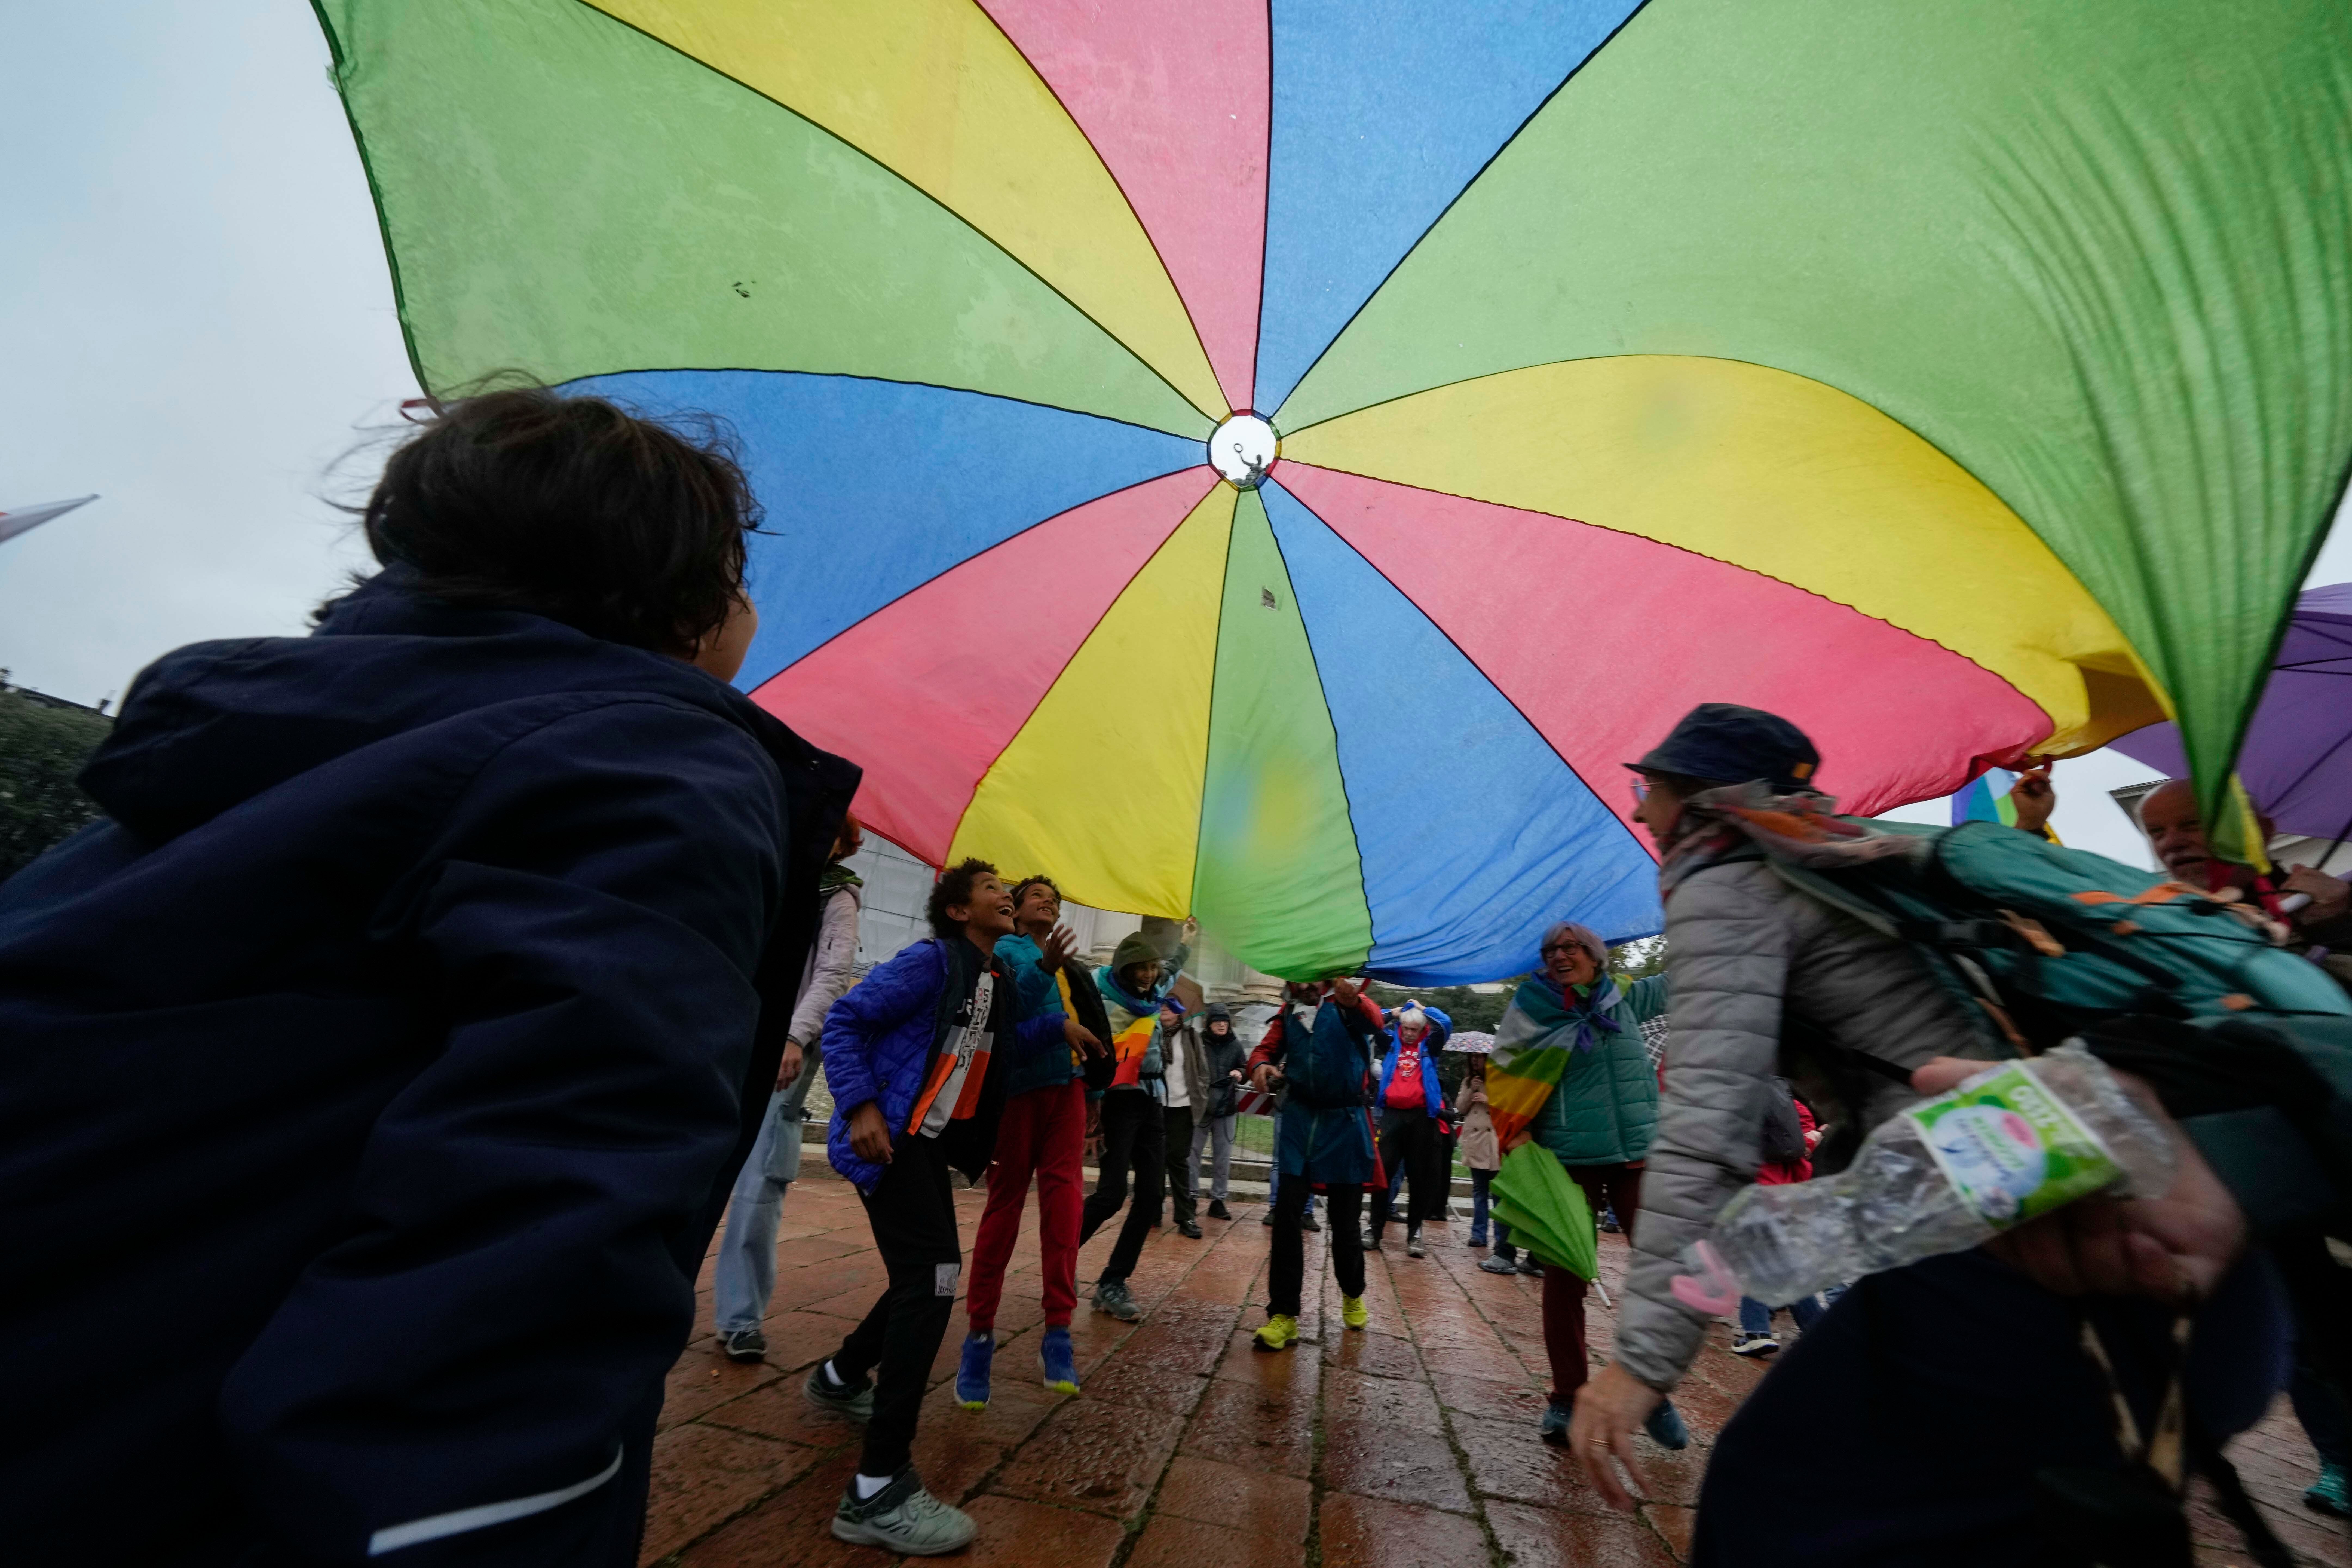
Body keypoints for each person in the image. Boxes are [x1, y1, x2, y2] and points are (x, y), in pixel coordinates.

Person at [0, 388, 859, 1564]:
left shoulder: (268, 739)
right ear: (690, 598)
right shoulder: (647, 764)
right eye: (743, 576)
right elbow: (547, 1214)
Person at [1567, 703, 2309, 1567]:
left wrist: (1643, 1362)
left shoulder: (1725, 874)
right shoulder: (1845, 853)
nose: (1638, 811)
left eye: (1647, 790)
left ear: (1697, 794)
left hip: (2018, 1250)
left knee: (1768, 1502)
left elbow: (1705, 1125)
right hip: (2175, 1250)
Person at [805, 859, 1093, 1555]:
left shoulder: (989, 976)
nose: (1006, 894)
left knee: (925, 1273)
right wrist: (861, 1104)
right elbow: (845, 1018)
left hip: (926, 1144)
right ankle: (877, 1487)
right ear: (961, 910)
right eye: (993, 887)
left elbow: (995, 1048)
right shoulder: (932, 961)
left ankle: (841, 1375)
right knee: (933, 1278)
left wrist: (1057, 1030)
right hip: (890, 1136)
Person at [1489, 921, 1683, 1450]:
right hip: (1570, 1159)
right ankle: (1566, 1397)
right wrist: (1519, 1129)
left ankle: (1649, 1390)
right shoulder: (1532, 1010)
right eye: (1551, 949)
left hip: (1637, 1155)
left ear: (1595, 955)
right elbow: (1503, 1071)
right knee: (1565, 1282)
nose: (1559, 955)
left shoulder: (1623, 999)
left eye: (1570, 947)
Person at [713, 814, 867, 1361]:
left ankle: (739, 1318)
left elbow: (833, 973)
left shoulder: (837, 897)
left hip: (785, 1046)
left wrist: (795, 1037)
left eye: (833, 831)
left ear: (843, 845)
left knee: (760, 1184)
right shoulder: (763, 876)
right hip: (729, 1034)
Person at [956, 874, 1105, 1408]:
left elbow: (1083, 1019)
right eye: (1038, 896)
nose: (1050, 902)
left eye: (1057, 899)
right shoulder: (1007, 951)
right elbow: (1011, 1015)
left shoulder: (1064, 962)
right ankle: (978, 1336)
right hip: (1017, 1094)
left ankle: (1059, 1333)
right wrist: (1047, 972)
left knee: (1065, 1206)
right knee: (1005, 1206)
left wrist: (1096, 1094)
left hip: (1067, 1090)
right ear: (1016, 910)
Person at [1245, 978, 1389, 1349]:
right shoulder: (1288, 1012)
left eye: (1314, 977)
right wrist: (1260, 1065)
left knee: (1345, 1224)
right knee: (1286, 1219)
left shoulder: (1347, 1004)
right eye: (1299, 978)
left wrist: (1354, 1001)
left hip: (1345, 1126)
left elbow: (1375, 1023)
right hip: (1299, 1124)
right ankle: (1283, 1315)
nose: (1307, 985)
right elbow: (1265, 1050)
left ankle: (1353, 1292)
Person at [1076, 929, 1190, 1321]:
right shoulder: (1104, 999)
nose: (1148, 974)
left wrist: (1187, 940)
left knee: (1151, 1198)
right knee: (1110, 1195)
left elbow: (1173, 969)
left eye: (1152, 967)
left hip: (1152, 1102)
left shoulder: (1155, 993)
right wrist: (1094, 1110)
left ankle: (1113, 1282)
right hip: (1118, 1103)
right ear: (1125, 970)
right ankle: (1058, 1260)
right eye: (1140, 968)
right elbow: (1091, 1056)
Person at [1729, 1086, 1821, 1358]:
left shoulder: (1737, 1103)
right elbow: (1801, 1150)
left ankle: (1758, 1333)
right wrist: (1815, 1137)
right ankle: (1816, 1329)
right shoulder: (1792, 1106)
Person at [1366, 1002, 1451, 1258]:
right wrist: (1392, 1014)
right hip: (1392, 1116)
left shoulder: (1430, 1046)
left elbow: (1446, 1024)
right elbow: (1372, 1023)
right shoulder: (1392, 1043)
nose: (1410, 1033)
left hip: (1421, 1118)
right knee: (1383, 1176)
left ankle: (1415, 1233)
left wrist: (1426, 1010)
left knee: (1420, 1179)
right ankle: (1374, 1230)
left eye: (1415, 1029)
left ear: (1422, 1029)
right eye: (1406, 1028)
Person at [1181, 1002, 1249, 1221]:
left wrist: (1240, 1073)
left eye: (1225, 1021)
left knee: (1223, 1158)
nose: (1222, 1025)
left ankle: (1218, 1200)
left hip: (1226, 1108)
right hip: (1200, 1108)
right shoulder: (1198, 1043)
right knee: (1192, 1155)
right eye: (1218, 1021)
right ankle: (1190, 1196)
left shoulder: (1236, 1045)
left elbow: (1245, 1068)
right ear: (1210, 1023)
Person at [1158, 996, 1209, 1239]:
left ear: (1180, 1012)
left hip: (1182, 1108)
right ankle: (1151, 1210)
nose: (1164, 1009)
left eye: (1170, 1006)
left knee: (1178, 1162)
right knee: (1154, 1161)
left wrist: (1200, 1093)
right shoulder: (1151, 1034)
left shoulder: (1190, 1036)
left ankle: (1185, 1216)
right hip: (1156, 1107)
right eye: (1161, 1005)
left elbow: (1203, 1071)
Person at [1458, 1054, 1501, 1248]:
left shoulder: (1500, 1080)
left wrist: (1487, 1099)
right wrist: (1471, 1090)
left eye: (1479, 1057)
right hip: (1476, 1143)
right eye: (1472, 1057)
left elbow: (1508, 1107)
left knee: (1499, 1194)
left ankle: (1502, 1239)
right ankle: (1479, 1234)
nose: (1475, 1061)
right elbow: (1461, 1108)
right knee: (1479, 1190)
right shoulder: (1468, 1082)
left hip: (1493, 1143)